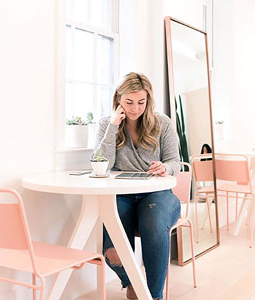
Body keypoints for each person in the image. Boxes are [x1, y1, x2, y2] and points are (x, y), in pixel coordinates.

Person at [93, 72, 181, 300]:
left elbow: (175, 162)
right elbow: (102, 164)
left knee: (153, 224)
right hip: (122, 195)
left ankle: (154, 296)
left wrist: (165, 167)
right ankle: (133, 281)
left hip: (158, 194)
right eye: (129, 102)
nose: (135, 108)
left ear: (148, 100)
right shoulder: (107, 124)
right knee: (111, 250)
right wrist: (114, 126)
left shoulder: (162, 123)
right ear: (118, 99)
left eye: (141, 102)